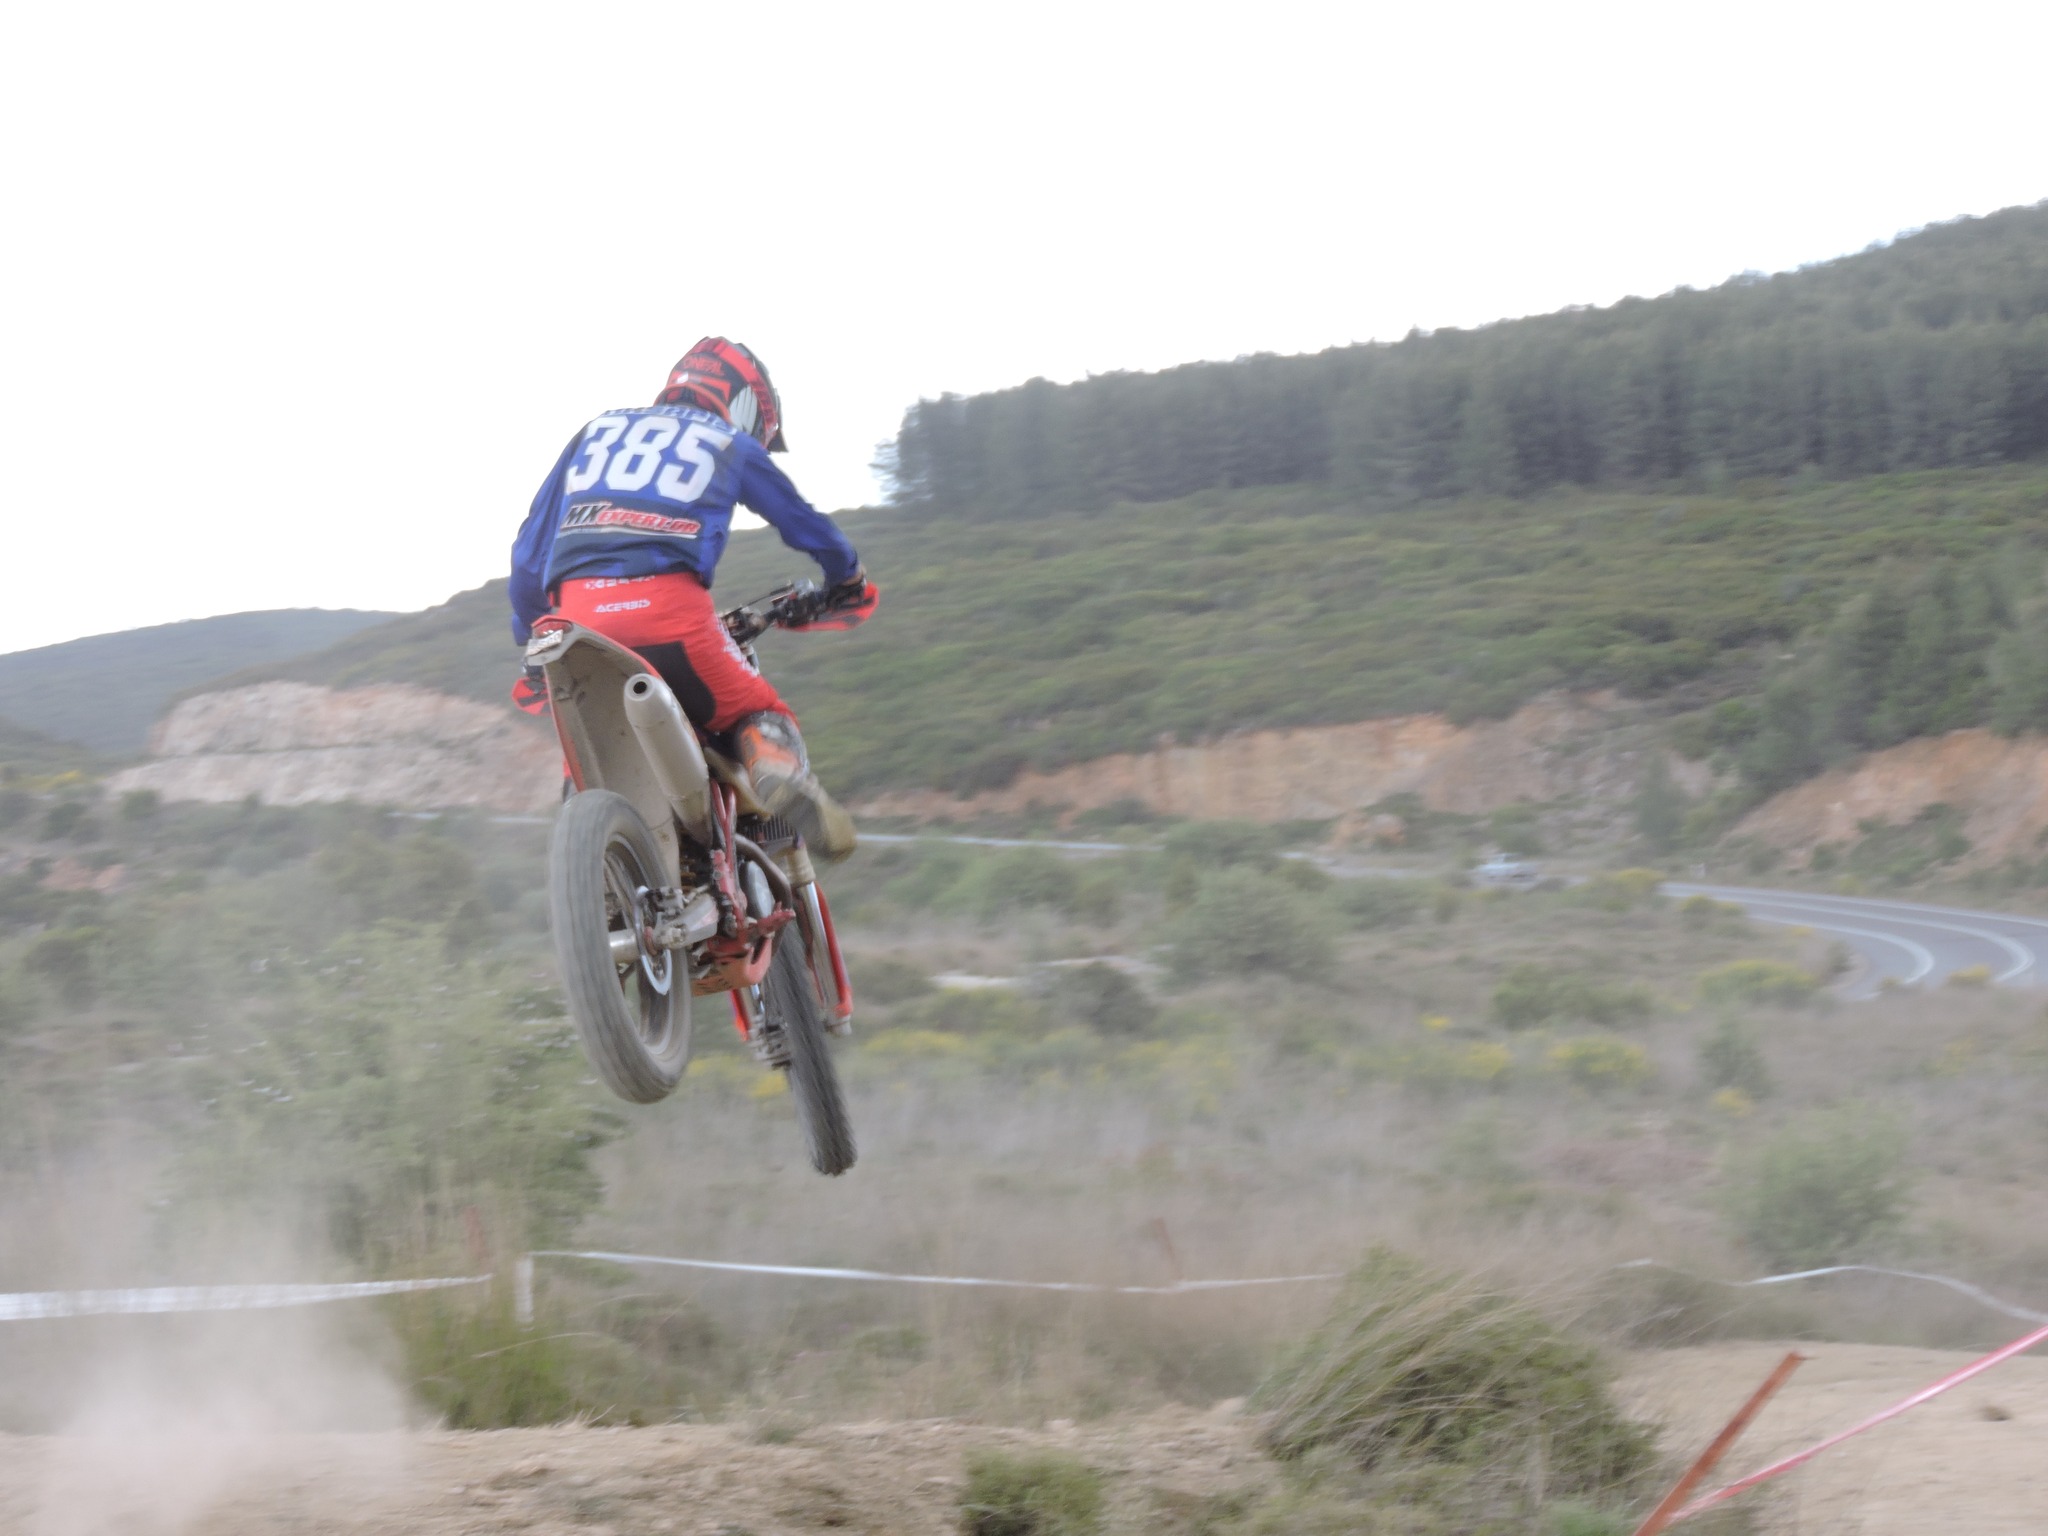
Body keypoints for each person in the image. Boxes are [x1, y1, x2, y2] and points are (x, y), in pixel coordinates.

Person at [509, 338, 875, 859]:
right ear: (747, 405)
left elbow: (528, 556)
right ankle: (774, 766)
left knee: (588, 755)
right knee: (761, 712)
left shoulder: (595, 433)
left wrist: (529, 633)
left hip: (574, 627)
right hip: (670, 615)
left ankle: (592, 853)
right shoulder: (729, 441)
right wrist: (847, 578)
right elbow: (803, 522)